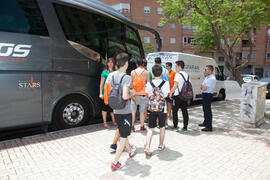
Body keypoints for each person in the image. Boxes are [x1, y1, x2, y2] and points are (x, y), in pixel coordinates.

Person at [107, 52, 136, 170]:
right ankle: (115, 162)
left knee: (123, 132)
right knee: (123, 137)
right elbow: (124, 96)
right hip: (125, 111)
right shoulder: (127, 77)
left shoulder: (112, 75)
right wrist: (132, 93)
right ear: (126, 63)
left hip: (116, 110)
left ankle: (130, 151)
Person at [144, 65, 170, 156]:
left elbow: (147, 95)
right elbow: (166, 95)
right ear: (162, 72)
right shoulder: (166, 83)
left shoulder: (148, 83)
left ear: (152, 73)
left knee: (151, 128)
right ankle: (160, 145)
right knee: (162, 127)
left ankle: (147, 146)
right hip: (162, 108)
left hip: (151, 108)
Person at [169, 60, 189, 132]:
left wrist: (171, 93)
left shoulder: (177, 75)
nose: (175, 67)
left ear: (179, 66)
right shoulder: (186, 74)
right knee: (184, 111)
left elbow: (175, 85)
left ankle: (175, 126)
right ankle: (185, 127)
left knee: (175, 111)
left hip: (177, 96)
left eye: (176, 66)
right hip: (184, 95)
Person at [131, 58, 150, 131]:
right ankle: (142, 126)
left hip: (134, 95)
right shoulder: (146, 72)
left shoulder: (133, 72)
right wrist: (148, 96)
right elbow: (148, 86)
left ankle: (132, 126)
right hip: (143, 95)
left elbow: (131, 85)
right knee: (142, 112)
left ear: (136, 64)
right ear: (143, 64)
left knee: (133, 112)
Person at [99, 57, 116, 128]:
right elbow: (101, 83)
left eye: (112, 62)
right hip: (106, 93)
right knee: (105, 108)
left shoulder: (116, 71)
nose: (110, 63)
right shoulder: (104, 72)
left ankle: (114, 122)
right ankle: (105, 123)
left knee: (113, 109)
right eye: (109, 62)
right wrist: (100, 93)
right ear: (107, 63)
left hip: (114, 92)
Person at [199, 65, 216, 132]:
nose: (205, 71)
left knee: (207, 111)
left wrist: (202, 86)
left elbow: (203, 87)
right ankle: (205, 122)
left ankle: (209, 127)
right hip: (205, 94)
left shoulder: (211, 78)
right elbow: (201, 86)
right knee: (205, 109)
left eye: (206, 69)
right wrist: (202, 86)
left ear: (210, 70)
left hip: (208, 95)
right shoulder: (207, 77)